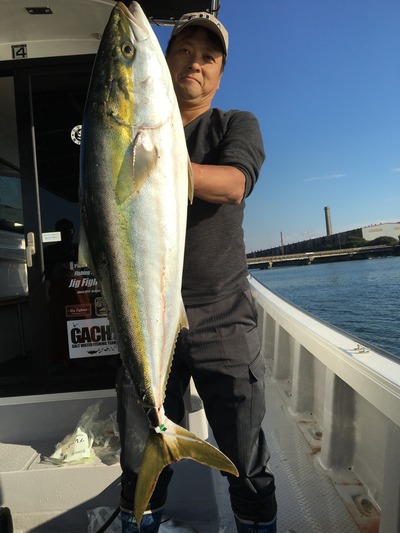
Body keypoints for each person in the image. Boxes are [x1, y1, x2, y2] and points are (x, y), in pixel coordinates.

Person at [117, 11, 277, 533]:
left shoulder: (235, 124)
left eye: (209, 57)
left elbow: (234, 183)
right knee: (139, 462)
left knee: (248, 465)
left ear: (220, 73)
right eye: (184, 50)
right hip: (146, 317)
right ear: (164, 61)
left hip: (224, 318)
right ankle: (139, 517)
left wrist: (161, 166)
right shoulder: (130, 130)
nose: (195, 63)